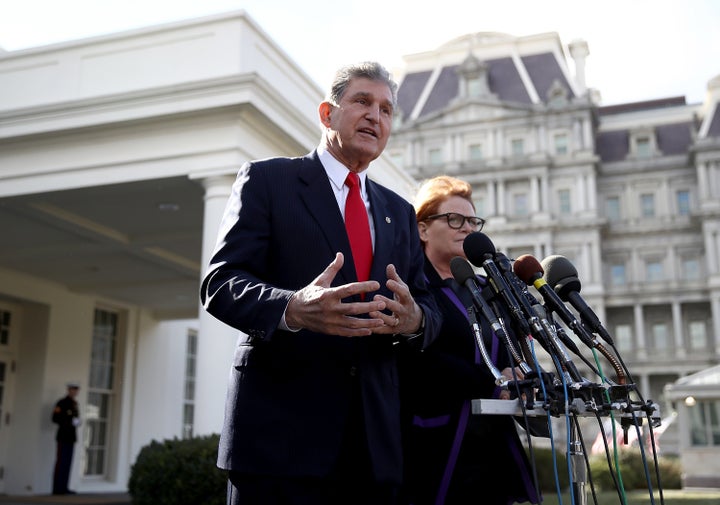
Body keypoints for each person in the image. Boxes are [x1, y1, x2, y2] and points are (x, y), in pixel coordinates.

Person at [200, 61, 440, 505]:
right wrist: (292, 307)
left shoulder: (399, 212)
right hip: (279, 444)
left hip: (372, 446)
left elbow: (428, 305)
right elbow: (220, 283)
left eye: (386, 110)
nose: (375, 116)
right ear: (327, 114)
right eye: (362, 102)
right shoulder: (268, 181)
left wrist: (415, 319)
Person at [399, 175, 541, 505]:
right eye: (453, 219)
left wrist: (523, 376)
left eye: (472, 221)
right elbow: (418, 357)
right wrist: (494, 381)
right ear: (422, 229)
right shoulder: (412, 285)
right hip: (438, 442)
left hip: (493, 446)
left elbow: (509, 351)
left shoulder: (488, 288)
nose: (467, 228)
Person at [51, 381, 81, 495]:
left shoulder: (75, 404)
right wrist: (68, 422)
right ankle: (57, 488)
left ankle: (64, 487)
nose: (75, 392)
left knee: (68, 463)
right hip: (63, 436)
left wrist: (77, 422)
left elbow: (76, 418)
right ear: (69, 390)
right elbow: (55, 418)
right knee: (61, 462)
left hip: (71, 437)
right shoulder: (62, 403)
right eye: (73, 389)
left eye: (76, 390)